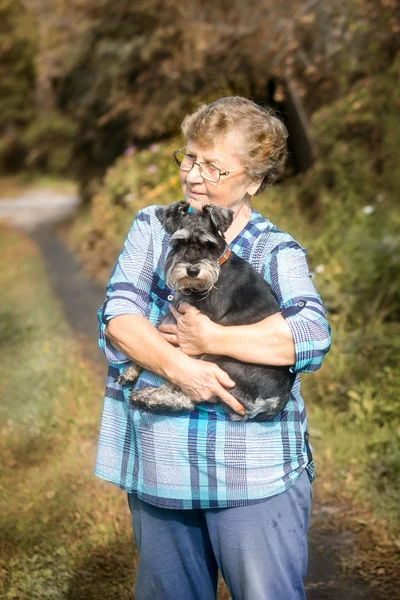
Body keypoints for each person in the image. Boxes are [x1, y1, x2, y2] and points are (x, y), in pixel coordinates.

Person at [96, 96, 331, 600]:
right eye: (189, 158)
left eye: (214, 166)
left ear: (254, 180)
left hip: (255, 472)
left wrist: (213, 340)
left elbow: (311, 337)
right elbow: (119, 317)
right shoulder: (153, 225)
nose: (194, 175)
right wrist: (183, 368)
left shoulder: (275, 249)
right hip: (162, 464)